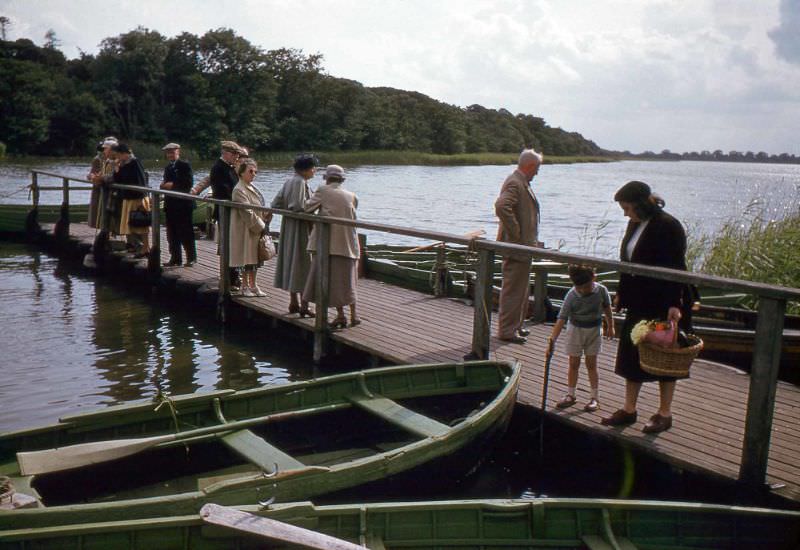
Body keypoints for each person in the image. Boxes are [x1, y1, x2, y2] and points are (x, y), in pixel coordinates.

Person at [601, 180, 689, 434]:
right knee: (631, 353)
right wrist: (622, 293)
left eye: (627, 207)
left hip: (662, 302)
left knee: (664, 355)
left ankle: (664, 413)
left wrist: (675, 302)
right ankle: (629, 409)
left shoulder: (669, 226)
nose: (624, 213)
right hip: (638, 300)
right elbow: (627, 262)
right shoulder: (635, 223)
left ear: (640, 204)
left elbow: (677, 267)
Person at [548, 265, 614, 413]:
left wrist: (611, 326)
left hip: (594, 330)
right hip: (575, 331)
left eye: (587, 287)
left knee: (591, 364)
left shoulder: (601, 290)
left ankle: (594, 397)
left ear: (594, 279)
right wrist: (552, 339)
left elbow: (607, 309)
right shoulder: (572, 295)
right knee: (573, 363)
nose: (584, 291)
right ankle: (571, 394)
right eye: (580, 288)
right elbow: (561, 319)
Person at [494, 149, 544, 344]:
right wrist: (517, 235)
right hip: (516, 248)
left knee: (521, 290)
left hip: (523, 247)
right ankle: (507, 331)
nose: (537, 172)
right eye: (537, 168)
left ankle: (516, 326)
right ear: (530, 166)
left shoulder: (522, 182)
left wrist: (529, 240)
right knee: (513, 291)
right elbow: (501, 206)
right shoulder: (515, 182)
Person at [302, 164, 360, 327]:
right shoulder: (352, 195)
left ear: (327, 178)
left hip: (329, 244)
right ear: (342, 179)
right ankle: (353, 315)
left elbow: (307, 207)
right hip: (349, 244)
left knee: (331, 280)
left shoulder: (323, 190)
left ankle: (341, 315)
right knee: (348, 281)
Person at [272, 153, 317, 317]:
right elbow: (299, 205)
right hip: (300, 228)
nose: (315, 171)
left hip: (288, 227)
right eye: (313, 168)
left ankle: (294, 302)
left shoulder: (289, 181)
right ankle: (304, 305)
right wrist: (313, 210)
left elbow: (275, 203)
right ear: (306, 169)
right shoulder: (299, 182)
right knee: (303, 263)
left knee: (292, 262)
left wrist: (287, 211)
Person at [92, 143, 150, 257]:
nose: (117, 157)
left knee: (141, 224)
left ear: (124, 154)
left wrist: (119, 170)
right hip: (128, 197)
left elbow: (138, 180)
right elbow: (118, 179)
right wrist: (117, 168)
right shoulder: (123, 163)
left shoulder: (134, 162)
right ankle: (138, 247)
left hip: (137, 198)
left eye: (118, 155)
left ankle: (145, 248)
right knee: (132, 224)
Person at [229, 159, 272, 297]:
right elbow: (247, 212)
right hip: (246, 229)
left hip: (256, 228)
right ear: (241, 173)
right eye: (250, 171)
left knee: (256, 259)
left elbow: (259, 205)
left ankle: (254, 285)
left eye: (255, 172)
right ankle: (245, 286)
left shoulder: (252, 187)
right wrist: (261, 226)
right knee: (247, 259)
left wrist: (266, 216)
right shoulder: (238, 189)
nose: (254, 174)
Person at [209, 141, 242, 288]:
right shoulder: (218, 168)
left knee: (233, 244)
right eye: (235, 154)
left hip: (232, 211)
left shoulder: (229, 168)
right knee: (229, 245)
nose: (237, 157)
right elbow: (223, 191)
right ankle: (230, 276)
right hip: (226, 211)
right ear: (226, 153)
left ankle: (234, 274)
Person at [159, 143, 196, 267]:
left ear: (178, 152)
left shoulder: (184, 165)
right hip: (171, 204)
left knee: (186, 232)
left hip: (184, 205)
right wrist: (165, 185)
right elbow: (164, 183)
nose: (170, 154)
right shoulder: (168, 168)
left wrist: (172, 185)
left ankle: (191, 258)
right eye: (168, 152)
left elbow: (188, 183)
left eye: (172, 152)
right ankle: (175, 258)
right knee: (172, 233)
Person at [86, 136, 117, 228]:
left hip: (109, 188)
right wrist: (94, 177)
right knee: (99, 212)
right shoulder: (98, 158)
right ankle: (101, 229)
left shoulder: (116, 159)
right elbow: (91, 174)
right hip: (100, 188)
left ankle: (107, 230)